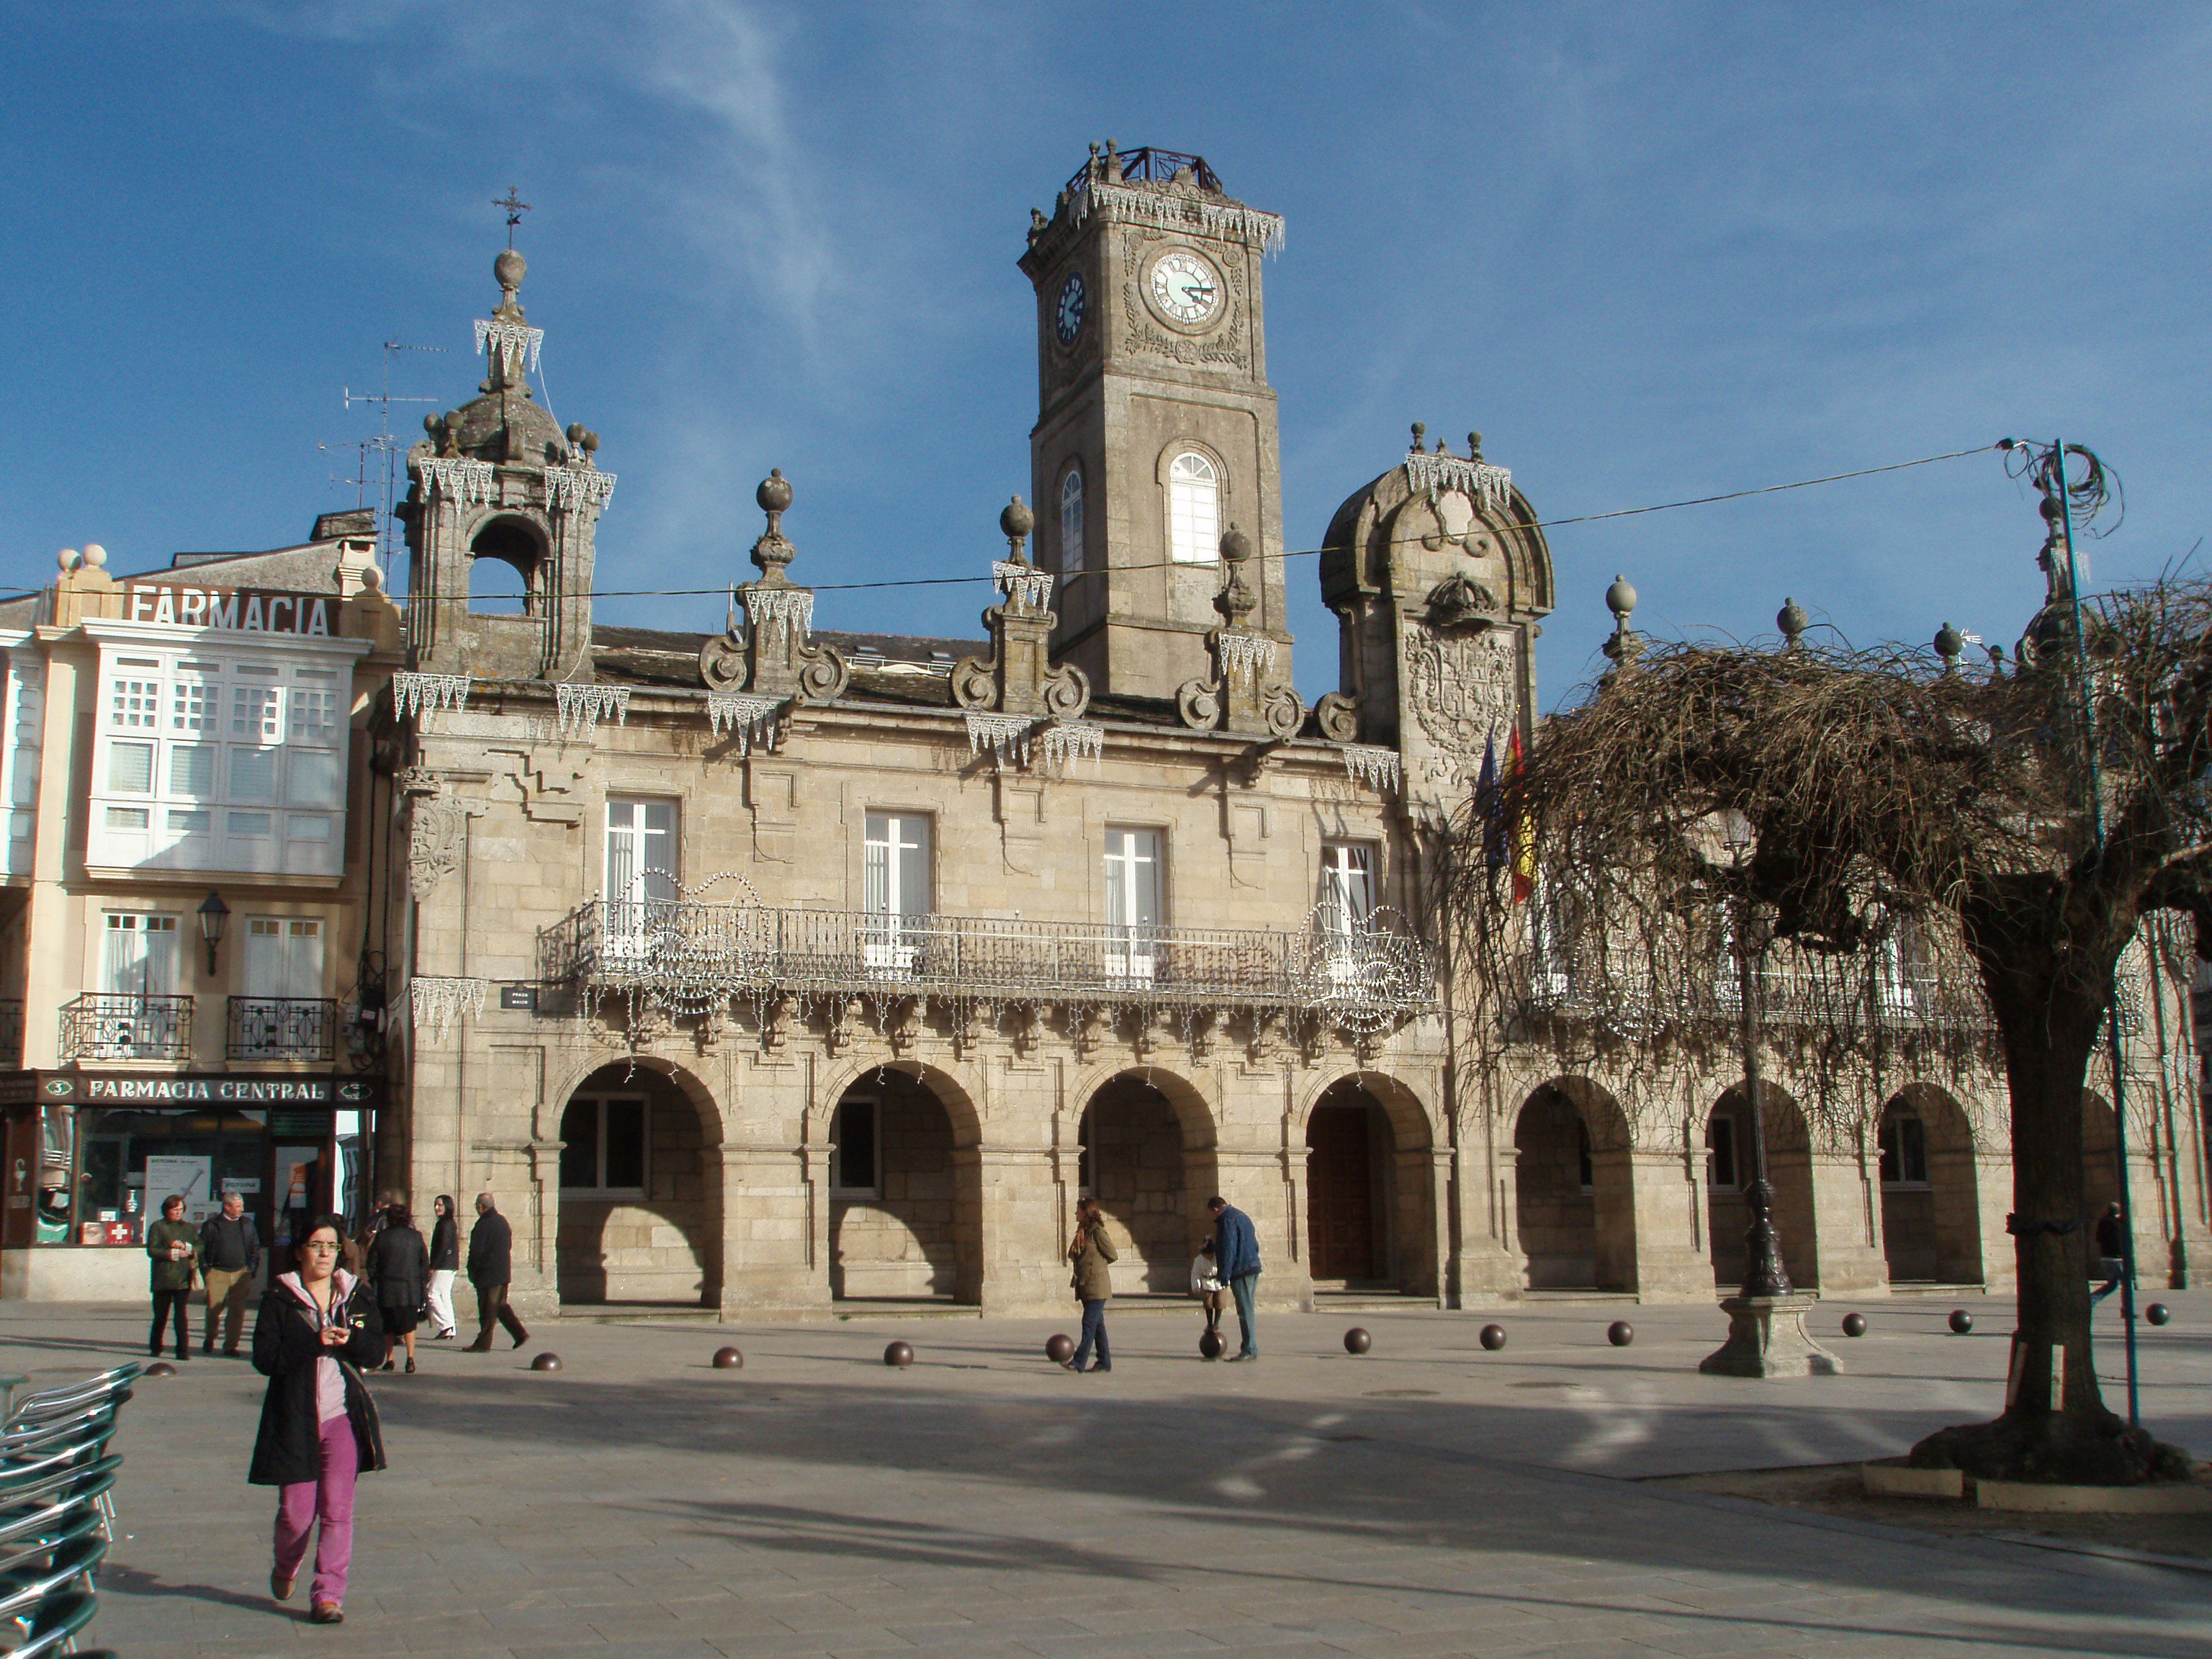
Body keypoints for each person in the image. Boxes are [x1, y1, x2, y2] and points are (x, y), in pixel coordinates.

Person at [250, 1213, 385, 1625]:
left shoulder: (356, 1296)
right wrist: (313, 1342)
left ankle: (328, 1594)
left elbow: (376, 1353)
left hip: (341, 1417)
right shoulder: (280, 1298)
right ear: (300, 1252)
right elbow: (265, 1358)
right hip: (294, 1418)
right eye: (316, 1245)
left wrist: (353, 1340)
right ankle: (286, 1564)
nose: (325, 1253)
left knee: (337, 1509)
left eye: (331, 1245)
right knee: (295, 1514)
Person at [367, 1202, 429, 1373]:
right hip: (410, 1287)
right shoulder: (416, 1237)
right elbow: (424, 1262)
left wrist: (374, 1280)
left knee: (388, 1325)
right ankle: (410, 1358)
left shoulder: (382, 1237)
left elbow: (372, 1262)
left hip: (388, 1287)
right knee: (409, 1324)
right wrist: (421, 1281)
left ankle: (390, 1359)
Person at [463, 1192, 530, 1352]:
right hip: (502, 1273)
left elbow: (476, 1252)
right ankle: (519, 1333)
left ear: (481, 1207)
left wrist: (473, 1270)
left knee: (487, 1308)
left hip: (488, 1274)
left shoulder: (483, 1224)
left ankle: (483, 1343)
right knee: (500, 1306)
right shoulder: (502, 1222)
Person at [199, 1190, 262, 1357]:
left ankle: (231, 1346)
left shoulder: (247, 1224)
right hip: (218, 1272)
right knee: (214, 1309)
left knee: (237, 1312)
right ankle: (210, 1336)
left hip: (241, 1273)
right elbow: (201, 1250)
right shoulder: (212, 1225)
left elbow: (255, 1248)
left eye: (242, 1206)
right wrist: (206, 1271)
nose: (242, 1209)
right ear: (227, 1207)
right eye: (238, 1206)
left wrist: (251, 1269)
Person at [1208, 1195, 1262, 1362]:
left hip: (1241, 1270)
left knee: (1245, 1310)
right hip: (1252, 1266)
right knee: (1248, 1309)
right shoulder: (1241, 1216)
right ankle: (1250, 1347)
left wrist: (1225, 1275)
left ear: (1216, 1209)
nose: (1214, 1217)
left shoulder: (1227, 1219)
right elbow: (1255, 1244)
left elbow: (1228, 1248)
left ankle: (1249, 1349)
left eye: (1213, 1213)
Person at [1065, 1197, 1115, 1373]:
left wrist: (1096, 1268)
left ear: (1086, 1212)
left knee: (1088, 1323)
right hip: (1085, 1285)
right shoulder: (1082, 1231)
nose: (1075, 1213)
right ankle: (1104, 1361)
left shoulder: (1097, 1232)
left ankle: (1079, 1361)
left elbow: (1112, 1254)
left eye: (1078, 1210)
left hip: (1097, 1285)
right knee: (1097, 1325)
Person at [145, 1194, 197, 1361]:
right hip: (163, 1278)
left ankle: (182, 1350)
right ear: (167, 1210)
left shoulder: (188, 1228)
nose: (178, 1213)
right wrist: (172, 1252)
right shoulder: (158, 1227)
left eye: (181, 1209)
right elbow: (152, 1250)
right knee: (161, 1315)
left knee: (181, 1316)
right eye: (175, 1210)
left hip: (183, 1277)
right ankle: (156, 1347)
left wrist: (190, 1248)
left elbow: (200, 1245)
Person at [425, 1195, 461, 1340]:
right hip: (450, 1264)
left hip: (443, 1264)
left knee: (432, 1294)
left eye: (440, 1205)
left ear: (447, 1206)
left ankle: (446, 1325)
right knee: (444, 1295)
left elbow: (443, 1247)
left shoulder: (444, 1224)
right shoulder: (449, 1223)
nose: (437, 1208)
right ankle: (450, 1327)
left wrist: (433, 1265)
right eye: (436, 1205)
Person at [1190, 1238, 1226, 1354]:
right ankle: (1210, 1323)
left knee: (1220, 1302)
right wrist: (1196, 1286)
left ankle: (1217, 1323)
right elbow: (1195, 1274)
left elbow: (1226, 1268)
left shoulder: (1219, 1257)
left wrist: (1227, 1280)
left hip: (1219, 1282)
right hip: (1207, 1283)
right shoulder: (1199, 1261)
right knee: (1208, 1303)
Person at [2090, 1201, 2126, 1305]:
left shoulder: (2103, 1222)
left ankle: (2092, 1300)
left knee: (2112, 1284)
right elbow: (2120, 1241)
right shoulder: (2119, 1224)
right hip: (2117, 1258)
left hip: (2106, 1257)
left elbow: (2098, 1238)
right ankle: (2127, 1308)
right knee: (2126, 1284)